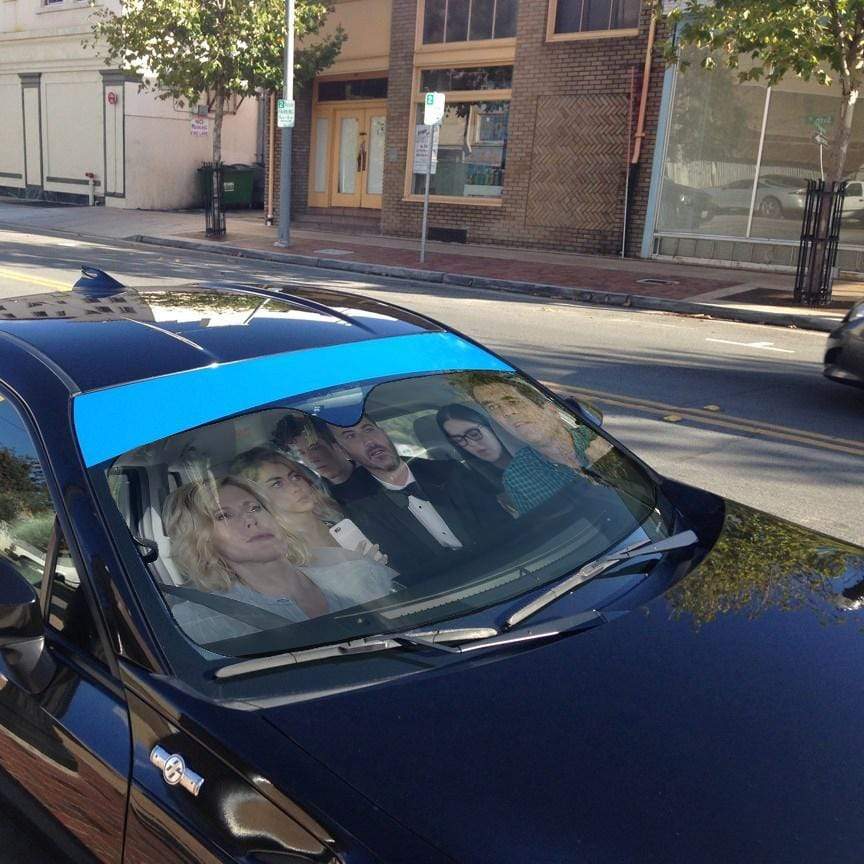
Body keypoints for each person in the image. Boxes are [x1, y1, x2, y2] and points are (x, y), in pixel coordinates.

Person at [162, 475, 390, 645]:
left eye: (255, 508)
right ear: (200, 539)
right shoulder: (198, 622)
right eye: (224, 515)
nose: (250, 519)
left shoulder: (360, 575)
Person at [326, 414, 512, 581]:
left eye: (369, 429)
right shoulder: (355, 506)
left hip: (503, 571)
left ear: (383, 432)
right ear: (342, 451)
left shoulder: (450, 472)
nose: (368, 441)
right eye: (350, 436)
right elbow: (400, 570)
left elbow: (503, 528)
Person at [231, 447, 398, 597]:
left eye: (295, 476)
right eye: (277, 484)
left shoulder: (346, 518)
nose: (295, 487)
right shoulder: (282, 559)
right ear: (256, 498)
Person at [459, 373, 613, 515]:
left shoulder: (594, 438)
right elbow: (545, 527)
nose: (506, 412)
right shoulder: (516, 477)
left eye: (512, 401)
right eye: (492, 407)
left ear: (550, 409)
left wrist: (607, 461)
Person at [272, 411, 355, 489]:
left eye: (315, 448)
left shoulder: (365, 470)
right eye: (301, 453)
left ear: (336, 443)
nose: (311, 459)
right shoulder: (316, 496)